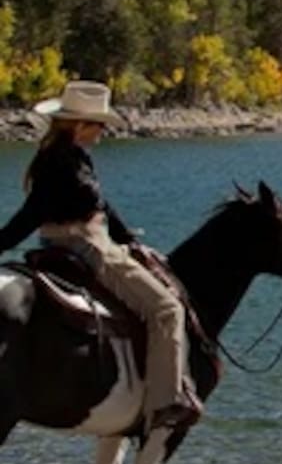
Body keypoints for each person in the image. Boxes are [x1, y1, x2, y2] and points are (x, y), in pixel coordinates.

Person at [0, 80, 202, 432]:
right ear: (80, 125)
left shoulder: (65, 156)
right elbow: (32, 213)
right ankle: (166, 402)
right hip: (89, 245)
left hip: (72, 241)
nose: (104, 131)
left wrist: (127, 238)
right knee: (168, 309)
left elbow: (100, 205)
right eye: (100, 125)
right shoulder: (63, 163)